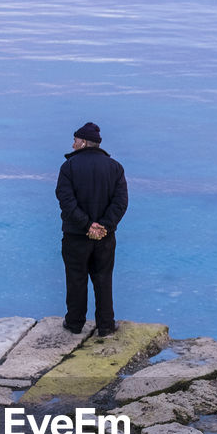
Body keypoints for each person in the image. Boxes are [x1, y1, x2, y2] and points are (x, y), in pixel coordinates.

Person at [55, 122, 128, 336]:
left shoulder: (68, 167)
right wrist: (103, 225)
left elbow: (66, 201)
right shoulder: (115, 167)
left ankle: (75, 323)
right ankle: (106, 325)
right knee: (103, 278)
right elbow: (121, 202)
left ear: (84, 142)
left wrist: (87, 225)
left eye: (76, 140)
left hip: (76, 235)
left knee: (76, 278)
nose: (73, 144)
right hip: (104, 236)